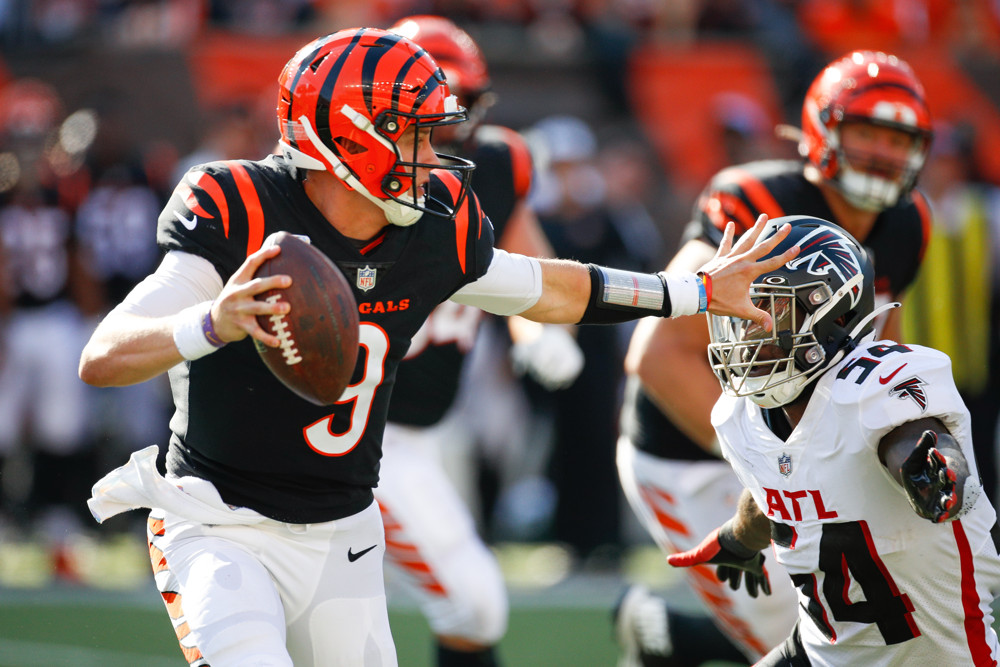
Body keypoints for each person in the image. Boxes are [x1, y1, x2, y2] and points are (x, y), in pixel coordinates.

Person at [79, 27, 799, 667]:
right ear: (354, 135)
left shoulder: (432, 229)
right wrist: (213, 323)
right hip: (218, 520)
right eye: (417, 133)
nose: (438, 154)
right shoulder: (238, 207)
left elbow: (552, 287)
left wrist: (696, 292)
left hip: (340, 529)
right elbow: (104, 355)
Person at [615, 50, 935, 665]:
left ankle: (666, 637)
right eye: (866, 132)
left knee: (863, 625)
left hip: (798, 462)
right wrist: (780, 470)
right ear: (821, 130)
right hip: (692, 453)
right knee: (811, 641)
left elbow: (867, 354)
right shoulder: (756, 202)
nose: (882, 154)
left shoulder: (907, 224)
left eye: (898, 140)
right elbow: (657, 356)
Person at [668, 215, 1000, 665]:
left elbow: (913, 442)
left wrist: (937, 473)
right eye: (738, 308)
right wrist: (738, 538)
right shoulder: (739, 415)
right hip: (817, 651)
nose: (746, 326)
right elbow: (783, 487)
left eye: (766, 305)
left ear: (832, 313)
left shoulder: (873, 387)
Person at [378, 15, 583, 667]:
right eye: (431, 107)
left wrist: (540, 329)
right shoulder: (348, 177)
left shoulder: (497, 165)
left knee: (474, 604)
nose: (450, 124)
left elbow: (535, 276)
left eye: (461, 106)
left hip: (416, 434)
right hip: (340, 432)